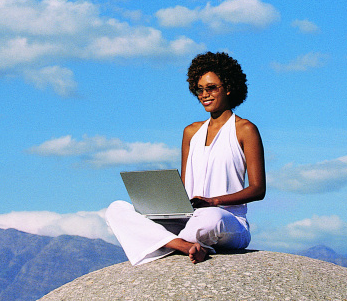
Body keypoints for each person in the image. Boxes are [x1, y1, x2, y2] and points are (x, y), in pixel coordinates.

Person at [105, 52, 266, 265]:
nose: (204, 95)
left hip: (227, 222)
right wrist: (165, 204)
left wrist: (213, 202)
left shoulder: (245, 129)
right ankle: (184, 245)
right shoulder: (191, 132)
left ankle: (169, 242)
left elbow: (258, 189)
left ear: (228, 87)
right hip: (188, 218)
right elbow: (183, 185)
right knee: (116, 209)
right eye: (199, 90)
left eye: (211, 88)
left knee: (211, 218)